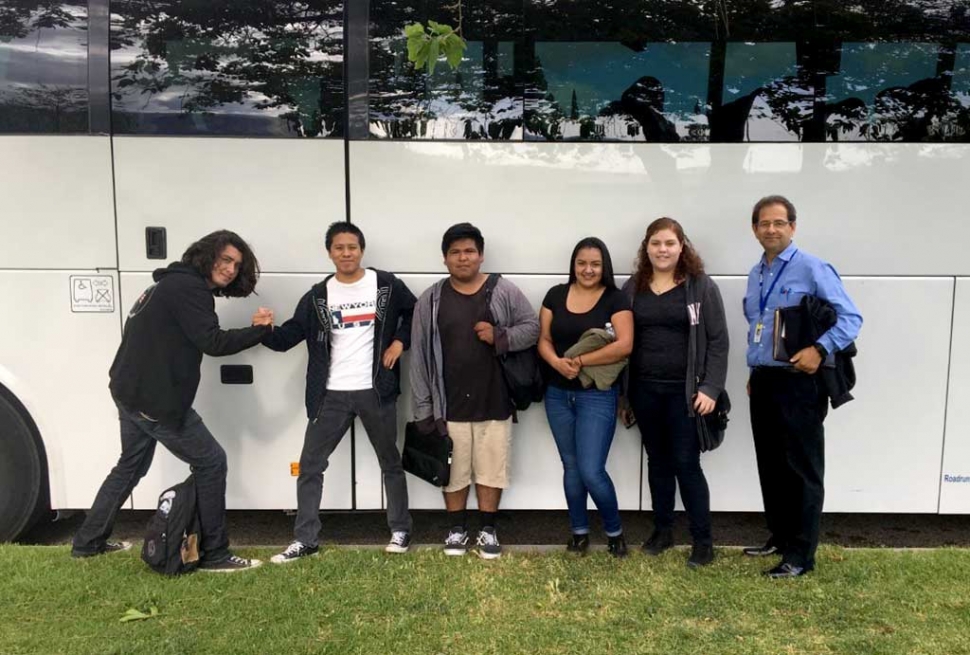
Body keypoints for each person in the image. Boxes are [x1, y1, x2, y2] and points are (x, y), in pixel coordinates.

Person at [72, 230, 270, 572]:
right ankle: (216, 554)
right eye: (226, 260)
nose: (231, 270)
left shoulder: (168, 285)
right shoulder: (189, 288)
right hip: (153, 401)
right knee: (212, 463)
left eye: (236, 265)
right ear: (206, 255)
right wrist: (260, 331)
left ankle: (87, 543)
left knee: (130, 466)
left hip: (128, 393)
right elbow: (213, 342)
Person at [260, 222, 417, 562]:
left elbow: (415, 312)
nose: (346, 253)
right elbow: (289, 336)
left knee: (390, 461)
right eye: (339, 248)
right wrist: (263, 331)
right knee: (310, 465)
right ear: (329, 252)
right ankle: (305, 539)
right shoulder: (319, 295)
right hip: (330, 394)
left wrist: (399, 342)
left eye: (352, 247)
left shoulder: (385, 284)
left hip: (375, 390)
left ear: (362, 250)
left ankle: (400, 530)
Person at [742, 195, 863, 578]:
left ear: (792, 227)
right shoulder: (755, 273)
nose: (771, 229)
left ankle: (800, 555)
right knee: (771, 465)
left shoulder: (813, 268)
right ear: (755, 229)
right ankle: (779, 537)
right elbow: (758, 327)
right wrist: (754, 370)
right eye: (764, 223)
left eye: (779, 223)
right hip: (764, 381)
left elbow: (851, 318)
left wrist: (819, 348)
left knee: (802, 469)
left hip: (800, 383)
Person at [410, 223, 539, 559]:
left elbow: (532, 328)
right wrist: (423, 409)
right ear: (444, 258)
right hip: (448, 405)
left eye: (469, 251)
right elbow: (420, 356)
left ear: (481, 255)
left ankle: (487, 530)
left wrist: (500, 336)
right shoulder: (432, 299)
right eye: (455, 252)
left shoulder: (503, 291)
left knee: (491, 467)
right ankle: (456, 529)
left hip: (494, 399)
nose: (462, 258)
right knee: (453, 471)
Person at [620, 218, 728, 567]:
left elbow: (718, 342)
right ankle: (663, 532)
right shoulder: (633, 288)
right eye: (655, 243)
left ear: (682, 246)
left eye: (669, 243)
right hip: (644, 391)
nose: (662, 250)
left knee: (686, 463)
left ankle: (703, 542)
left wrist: (710, 387)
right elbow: (619, 340)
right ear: (646, 248)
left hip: (687, 395)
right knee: (658, 463)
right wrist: (624, 395)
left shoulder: (700, 287)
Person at [539, 237, 633, 557]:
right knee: (572, 467)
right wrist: (556, 362)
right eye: (582, 263)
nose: (588, 270)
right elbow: (544, 339)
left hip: (597, 396)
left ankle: (614, 532)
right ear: (573, 265)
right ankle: (579, 533)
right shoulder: (555, 295)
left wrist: (579, 362)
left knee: (592, 470)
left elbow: (624, 345)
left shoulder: (616, 299)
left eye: (595, 264)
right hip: (557, 395)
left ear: (604, 266)